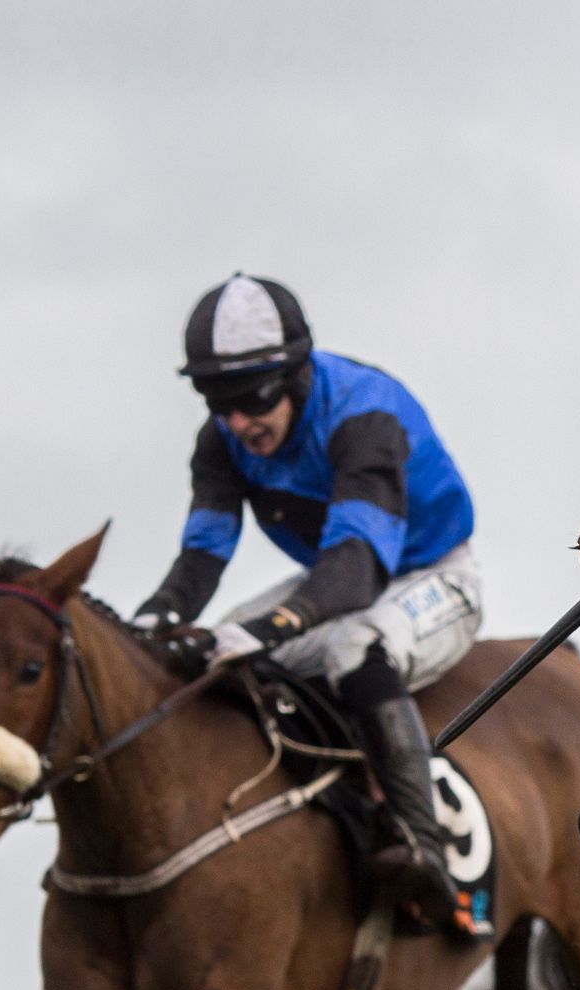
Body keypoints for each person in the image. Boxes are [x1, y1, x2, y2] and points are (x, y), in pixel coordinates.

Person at [134, 273, 479, 922]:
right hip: (339, 574)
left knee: (356, 648)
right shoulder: (222, 439)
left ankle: (422, 845)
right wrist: (156, 619)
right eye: (218, 401)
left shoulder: (363, 413)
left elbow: (356, 566)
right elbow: (203, 552)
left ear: (296, 375)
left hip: (432, 575)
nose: (239, 422)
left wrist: (274, 626)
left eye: (253, 398)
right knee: (215, 652)